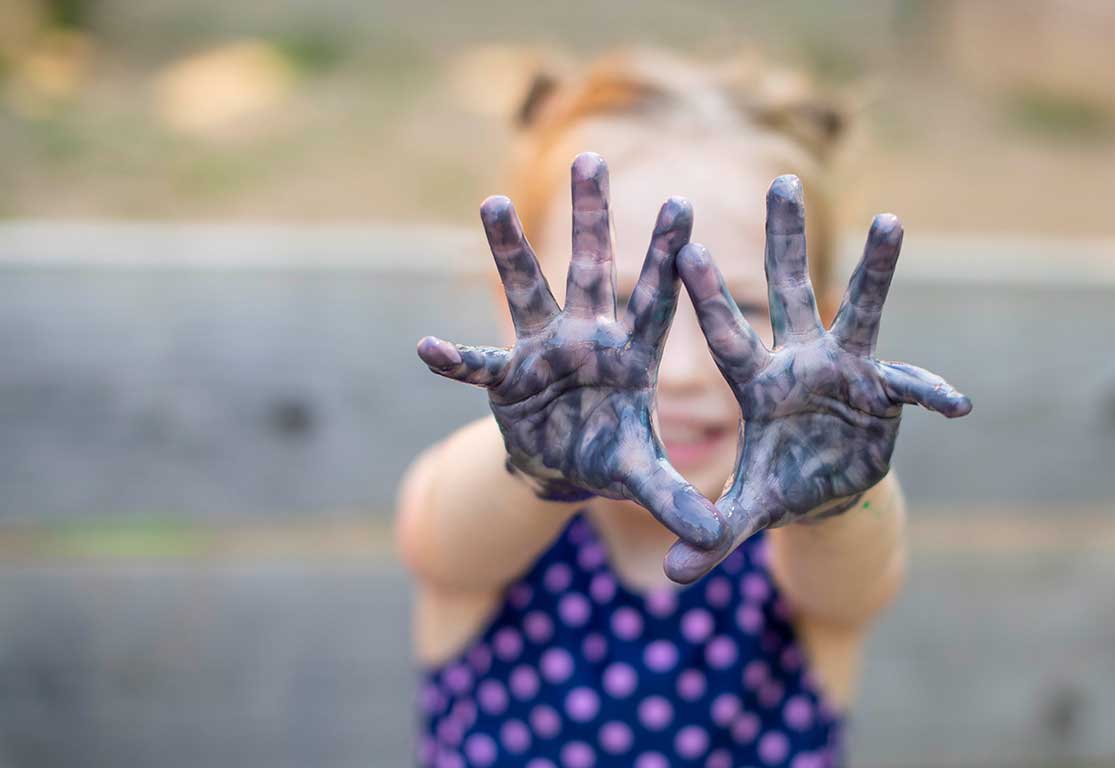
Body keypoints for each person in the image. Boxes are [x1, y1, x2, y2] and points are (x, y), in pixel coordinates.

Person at [397, 49, 971, 768]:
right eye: (612, 308)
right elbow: (442, 539)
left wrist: (836, 498)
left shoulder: (807, 543)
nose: (682, 372)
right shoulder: (494, 518)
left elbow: (857, 582)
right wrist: (541, 464)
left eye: (744, 309)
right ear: (513, 308)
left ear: (820, 326)